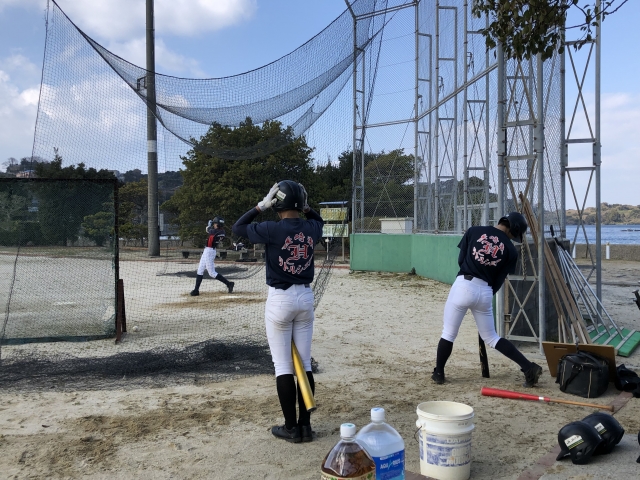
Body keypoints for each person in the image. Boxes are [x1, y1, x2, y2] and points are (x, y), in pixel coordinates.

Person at [232, 180, 324, 443]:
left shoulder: (271, 228)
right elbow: (318, 221)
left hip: (280, 299)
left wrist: (260, 206)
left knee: (283, 366)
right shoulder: (311, 227)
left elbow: (238, 227)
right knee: (304, 364)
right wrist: (307, 208)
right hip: (305, 297)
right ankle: (305, 426)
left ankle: (291, 428)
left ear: (277, 203)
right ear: (301, 203)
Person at [432, 212, 543, 387]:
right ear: (513, 229)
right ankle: (528, 368)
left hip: (464, 283)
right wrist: (484, 294)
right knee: (491, 337)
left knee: (449, 333)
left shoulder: (474, 230)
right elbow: (498, 281)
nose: (513, 238)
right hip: (485, 291)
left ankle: (439, 373)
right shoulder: (511, 250)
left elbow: (461, 260)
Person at [190, 216, 234, 296]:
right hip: (207, 250)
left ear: (218, 224)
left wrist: (209, 226)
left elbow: (208, 230)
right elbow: (210, 230)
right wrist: (211, 226)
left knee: (211, 273)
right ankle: (196, 290)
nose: (214, 225)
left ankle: (229, 284)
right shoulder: (222, 231)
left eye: (215, 223)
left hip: (209, 251)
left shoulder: (216, 231)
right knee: (200, 270)